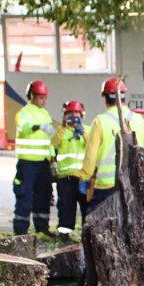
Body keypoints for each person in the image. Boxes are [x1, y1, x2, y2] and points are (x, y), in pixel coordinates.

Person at [79, 78, 144, 212]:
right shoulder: (140, 121)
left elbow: (90, 155)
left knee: (99, 223)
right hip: (133, 184)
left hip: (107, 185)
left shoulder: (100, 121)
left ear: (105, 98)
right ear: (124, 97)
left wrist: (84, 177)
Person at [13, 80, 55, 235]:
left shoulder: (45, 114)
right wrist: (37, 127)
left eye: (45, 97)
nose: (43, 100)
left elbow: (48, 139)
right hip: (27, 162)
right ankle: (21, 230)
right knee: (24, 195)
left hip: (43, 162)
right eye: (40, 97)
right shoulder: (24, 113)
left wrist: (52, 158)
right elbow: (24, 128)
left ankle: (42, 227)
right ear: (31, 96)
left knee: (43, 195)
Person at [52, 100, 88, 237]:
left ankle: (86, 237)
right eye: (70, 113)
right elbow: (54, 143)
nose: (73, 116)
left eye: (76, 113)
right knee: (66, 209)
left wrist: (83, 133)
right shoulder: (62, 132)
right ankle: (64, 236)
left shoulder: (87, 130)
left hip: (83, 178)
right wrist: (63, 127)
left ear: (82, 114)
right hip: (65, 178)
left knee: (86, 209)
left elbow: (92, 145)